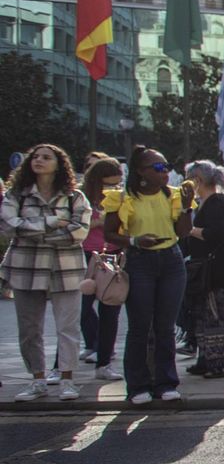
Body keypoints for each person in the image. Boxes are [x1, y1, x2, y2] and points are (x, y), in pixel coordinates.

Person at [103, 145, 193, 405]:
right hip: (140, 261)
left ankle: (166, 382)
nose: (165, 172)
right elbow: (109, 233)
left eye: (166, 167)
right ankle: (138, 385)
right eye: (158, 167)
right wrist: (134, 241)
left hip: (171, 260)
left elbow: (184, 232)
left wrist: (187, 208)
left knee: (165, 326)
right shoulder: (122, 198)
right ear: (141, 172)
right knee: (140, 326)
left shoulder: (174, 196)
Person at [1, 144, 91, 401]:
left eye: (46, 157)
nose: (38, 160)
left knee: (68, 327)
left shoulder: (74, 196)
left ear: (59, 164)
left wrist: (33, 232)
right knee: (29, 329)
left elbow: (78, 233)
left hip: (66, 269)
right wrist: (51, 223)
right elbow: (9, 225)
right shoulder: (17, 194)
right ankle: (37, 379)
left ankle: (67, 380)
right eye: (35, 157)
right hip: (26, 268)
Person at [182, 161, 224, 379]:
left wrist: (190, 230)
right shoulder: (207, 203)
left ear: (197, 181)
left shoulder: (218, 202)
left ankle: (223, 362)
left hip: (217, 269)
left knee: (217, 313)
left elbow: (216, 233)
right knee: (205, 315)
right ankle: (207, 358)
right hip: (208, 268)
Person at [77, 157, 125, 380]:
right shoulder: (80, 197)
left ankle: (104, 362)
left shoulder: (121, 198)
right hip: (87, 255)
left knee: (110, 311)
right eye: (108, 185)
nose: (112, 189)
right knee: (80, 307)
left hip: (112, 256)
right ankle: (60, 366)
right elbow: (75, 225)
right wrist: (97, 222)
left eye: (116, 185)